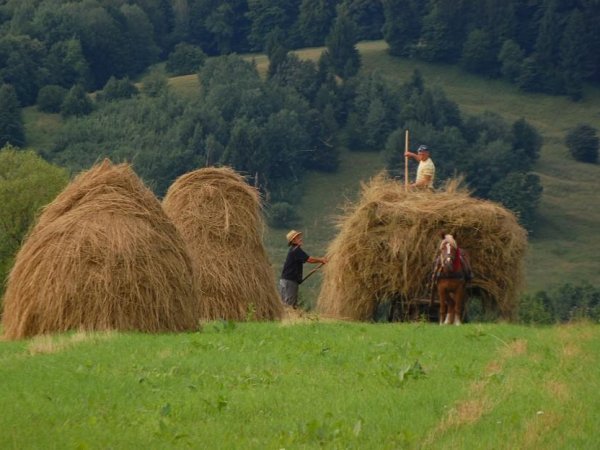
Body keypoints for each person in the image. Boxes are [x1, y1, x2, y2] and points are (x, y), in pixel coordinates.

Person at [279, 230, 327, 308]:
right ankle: (291, 319)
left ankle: (287, 318)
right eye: (298, 238)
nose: (300, 239)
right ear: (293, 240)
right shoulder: (296, 250)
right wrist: (321, 260)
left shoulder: (293, 250)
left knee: (285, 304)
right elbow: (309, 259)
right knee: (290, 305)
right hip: (290, 281)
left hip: (285, 281)